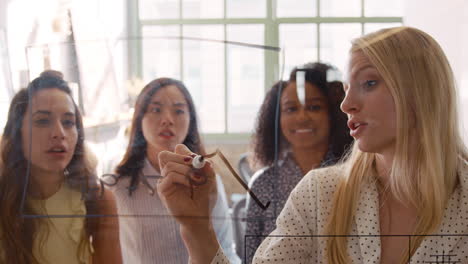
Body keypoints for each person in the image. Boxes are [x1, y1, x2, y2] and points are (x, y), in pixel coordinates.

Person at [156, 26, 468, 263]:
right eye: (346, 89)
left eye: (369, 83)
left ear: (421, 91)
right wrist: (197, 230)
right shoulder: (320, 194)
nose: (346, 104)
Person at [111, 77, 240, 264]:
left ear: (191, 120)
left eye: (178, 111)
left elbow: (226, 249)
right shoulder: (118, 186)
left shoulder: (206, 180)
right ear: (139, 119)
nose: (167, 120)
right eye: (156, 109)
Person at [0, 70, 121, 264]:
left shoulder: (98, 198)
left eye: (68, 122)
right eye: (42, 121)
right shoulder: (5, 195)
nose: (59, 133)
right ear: (17, 133)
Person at [244, 63, 352, 263]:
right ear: (276, 119)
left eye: (314, 107)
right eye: (291, 109)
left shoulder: (354, 176)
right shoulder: (264, 184)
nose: (302, 117)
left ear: (334, 113)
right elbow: (250, 256)